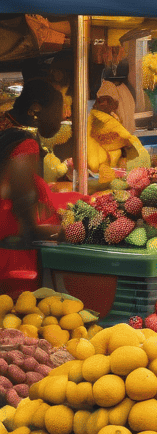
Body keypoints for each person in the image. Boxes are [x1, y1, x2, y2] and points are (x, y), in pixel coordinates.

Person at [0, 81, 67, 283]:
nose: (62, 118)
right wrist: (42, 231)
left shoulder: (5, 126)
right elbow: (22, 195)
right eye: (57, 111)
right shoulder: (24, 142)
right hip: (11, 252)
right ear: (36, 108)